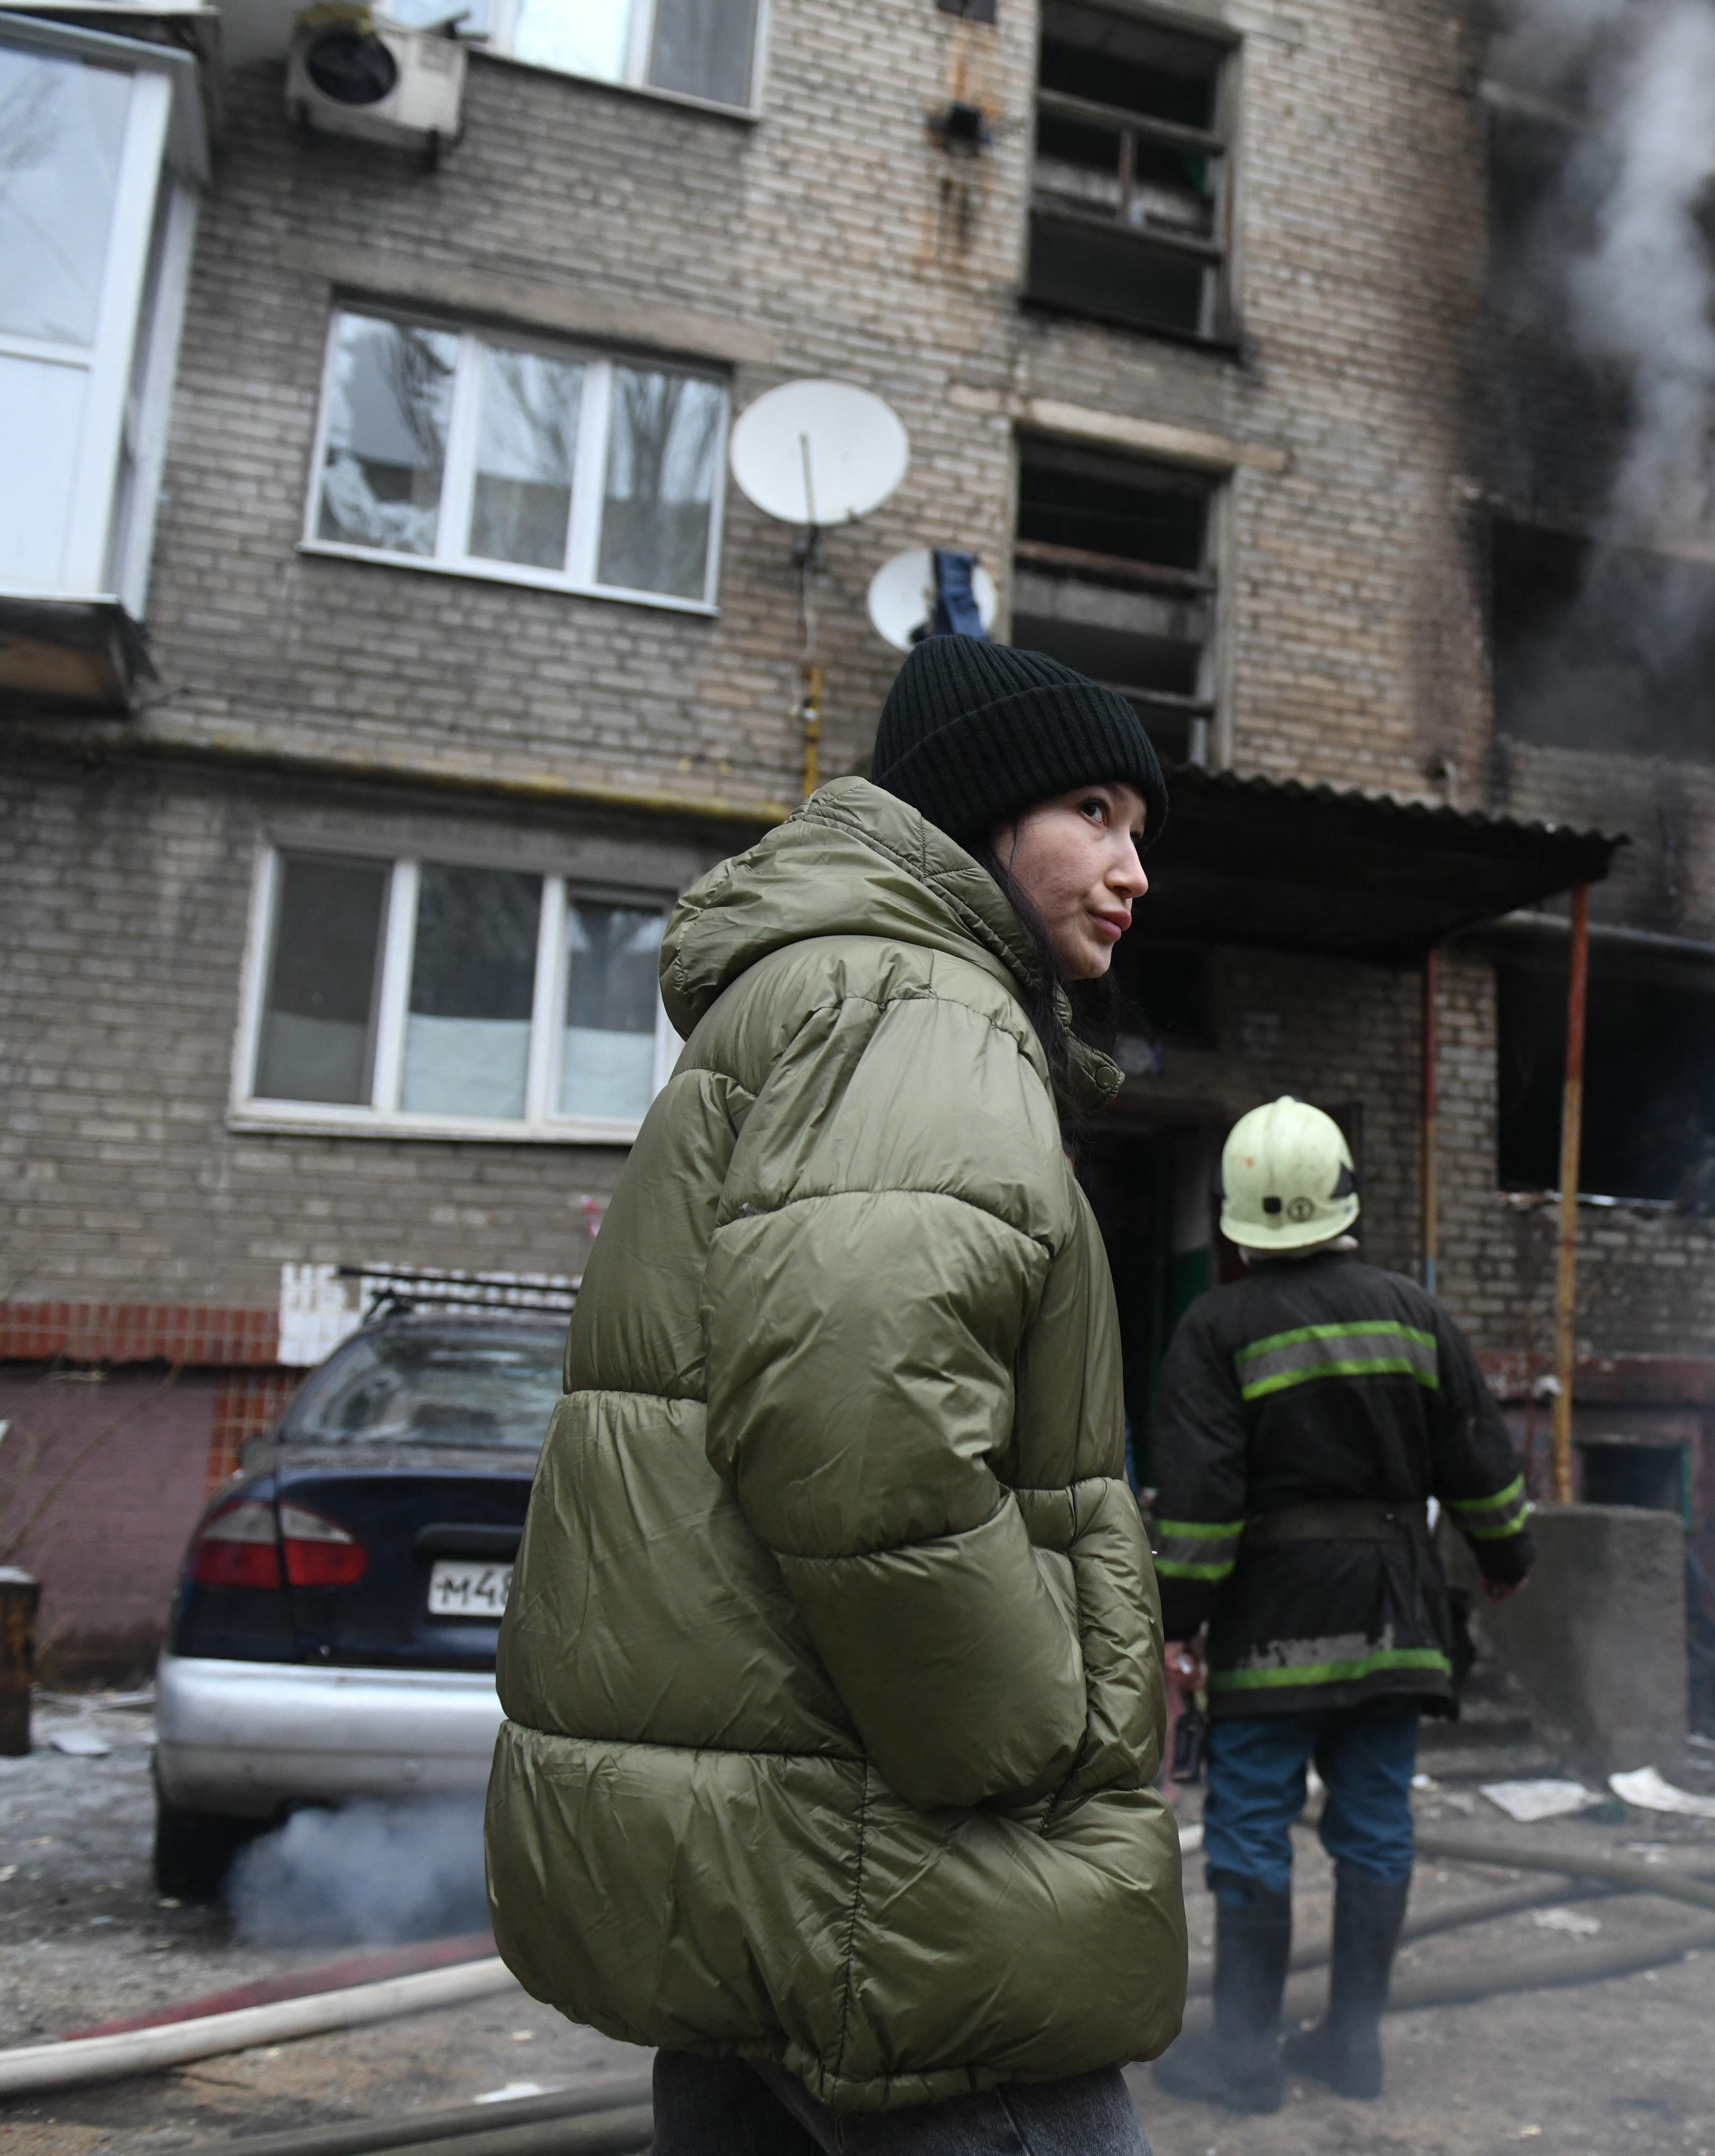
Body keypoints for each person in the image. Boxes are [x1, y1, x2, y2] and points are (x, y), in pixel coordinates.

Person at [484, 635, 1185, 2156]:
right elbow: (864, 1429)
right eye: (1093, 814)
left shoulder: (813, 994)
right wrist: (1025, 1739)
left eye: (1138, 829)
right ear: (979, 813)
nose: (1132, 869)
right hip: (899, 1863)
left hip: (774, 1827)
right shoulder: (923, 1007)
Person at [1145, 1098, 1537, 2115]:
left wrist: (1177, 1618)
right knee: (1375, 1823)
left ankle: (1245, 2057)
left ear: (1236, 1222)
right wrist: (1507, 1555)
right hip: (1395, 1624)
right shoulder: (1414, 1312)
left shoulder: (1215, 1327)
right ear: (1346, 1202)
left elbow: (1201, 1502)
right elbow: (1479, 1457)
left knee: (1249, 1829)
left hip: (1271, 1633)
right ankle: (1354, 2047)